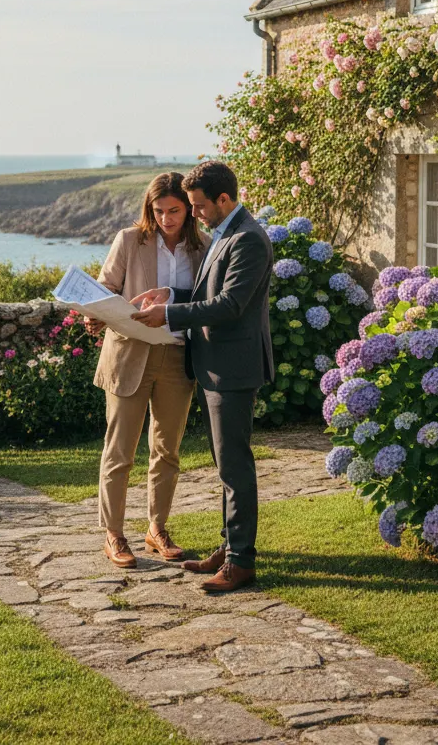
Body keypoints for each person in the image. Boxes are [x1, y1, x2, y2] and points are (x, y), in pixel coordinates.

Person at [132, 160, 273, 592]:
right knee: (223, 464)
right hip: (215, 365)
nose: (193, 214)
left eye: (197, 206)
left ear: (224, 200)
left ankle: (241, 562)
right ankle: (229, 547)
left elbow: (229, 306)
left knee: (235, 467)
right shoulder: (226, 233)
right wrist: (171, 294)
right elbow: (206, 292)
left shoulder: (248, 239)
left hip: (232, 368)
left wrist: (169, 314)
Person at [87, 172, 210, 569]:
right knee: (120, 450)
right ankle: (114, 534)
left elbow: (206, 300)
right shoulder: (129, 240)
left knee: (167, 450)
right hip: (130, 355)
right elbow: (106, 288)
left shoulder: (202, 246)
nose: (166, 218)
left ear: (188, 210)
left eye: (174, 210)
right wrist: (96, 315)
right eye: (158, 211)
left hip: (177, 357)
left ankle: (157, 528)